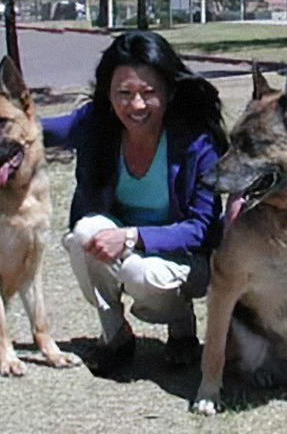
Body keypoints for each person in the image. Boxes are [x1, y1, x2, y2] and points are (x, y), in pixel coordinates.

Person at [42, 30, 227, 375]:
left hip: (186, 260)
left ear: (170, 92)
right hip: (130, 251)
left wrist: (130, 237)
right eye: (123, 94)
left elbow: (201, 230)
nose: (136, 105)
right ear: (108, 95)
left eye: (148, 93)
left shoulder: (197, 141)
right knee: (85, 233)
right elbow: (37, 130)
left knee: (139, 273)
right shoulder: (96, 123)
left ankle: (182, 327)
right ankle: (116, 336)